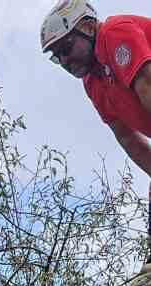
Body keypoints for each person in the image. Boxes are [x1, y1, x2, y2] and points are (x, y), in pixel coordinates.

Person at [41, 2, 151, 183]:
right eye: (57, 56)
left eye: (67, 48)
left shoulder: (115, 33)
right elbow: (127, 138)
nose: (65, 61)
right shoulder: (92, 82)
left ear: (88, 27)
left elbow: (148, 88)